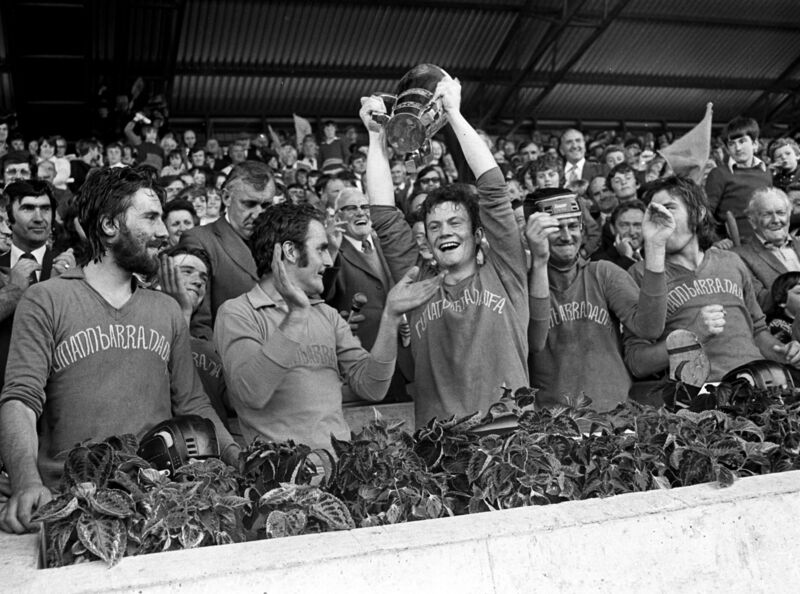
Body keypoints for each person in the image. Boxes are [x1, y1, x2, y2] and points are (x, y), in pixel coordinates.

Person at [0, 167, 239, 534]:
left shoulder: (167, 310)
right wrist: (26, 482)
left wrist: (237, 459)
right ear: (110, 226)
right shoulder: (46, 299)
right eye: (150, 218)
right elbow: (20, 400)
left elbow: (193, 404)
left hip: (158, 501)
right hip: (69, 503)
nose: (163, 233)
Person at [363, 76, 530, 427]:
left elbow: (494, 190)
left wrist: (453, 112)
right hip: (442, 449)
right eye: (434, 227)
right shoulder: (418, 282)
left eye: (455, 223)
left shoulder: (504, 272)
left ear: (478, 233)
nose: (444, 233)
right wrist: (375, 136)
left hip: (512, 444)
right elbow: (382, 213)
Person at [214, 203, 438, 450]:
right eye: (321, 249)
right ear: (290, 251)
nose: (329, 260)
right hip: (281, 479)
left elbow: (372, 387)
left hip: (342, 473)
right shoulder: (237, 313)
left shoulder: (326, 314)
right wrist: (297, 316)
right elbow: (251, 394)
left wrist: (391, 317)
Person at [624, 176, 800, 388]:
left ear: (698, 214)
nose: (662, 218)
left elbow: (758, 331)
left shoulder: (731, 262)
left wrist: (783, 352)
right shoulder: (641, 275)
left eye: (670, 208)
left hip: (760, 384)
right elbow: (637, 363)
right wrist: (691, 336)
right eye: (654, 213)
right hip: (700, 399)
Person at [526, 191, 672, 411]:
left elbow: (650, 328)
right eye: (555, 228)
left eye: (573, 226)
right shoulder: (522, 285)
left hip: (615, 419)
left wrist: (655, 247)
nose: (567, 236)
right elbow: (532, 342)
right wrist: (538, 260)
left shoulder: (603, 273)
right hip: (554, 425)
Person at [179, 161, 275, 340]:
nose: (258, 214)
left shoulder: (279, 240)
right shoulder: (199, 240)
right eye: (249, 204)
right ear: (226, 198)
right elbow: (199, 325)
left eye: (266, 205)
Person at [704, 116, 772, 242]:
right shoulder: (719, 174)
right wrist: (717, 241)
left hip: (765, 241)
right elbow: (706, 215)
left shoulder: (766, 172)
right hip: (733, 243)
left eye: (742, 141)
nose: (738, 148)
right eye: (731, 144)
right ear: (727, 149)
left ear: (755, 144)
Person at [733, 187, 800, 311]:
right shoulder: (739, 257)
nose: (776, 220)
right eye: (767, 214)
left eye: (781, 213)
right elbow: (758, 301)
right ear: (753, 221)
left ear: (789, 216)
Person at [591, 200, 647, 270]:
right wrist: (627, 258)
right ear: (612, 228)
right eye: (624, 225)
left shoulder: (655, 253)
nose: (632, 232)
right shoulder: (599, 261)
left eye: (637, 225)